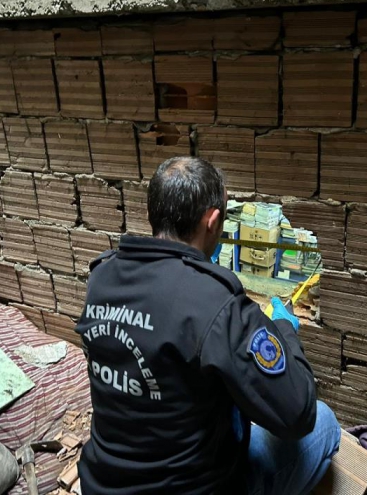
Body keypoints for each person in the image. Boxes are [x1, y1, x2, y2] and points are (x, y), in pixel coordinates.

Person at [75, 156, 341, 495]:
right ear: (212, 221)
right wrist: (283, 330)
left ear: (153, 213)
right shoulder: (215, 303)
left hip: (103, 486)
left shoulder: (102, 276)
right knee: (324, 422)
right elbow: (297, 414)